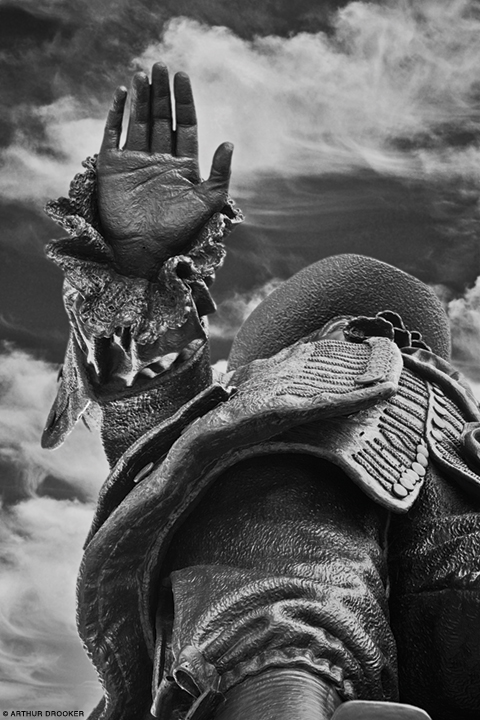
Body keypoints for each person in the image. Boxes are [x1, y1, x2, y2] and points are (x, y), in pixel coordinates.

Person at [43, 64, 480, 720]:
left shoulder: (456, 422)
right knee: (271, 514)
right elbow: (156, 426)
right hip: (271, 579)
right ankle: (274, 691)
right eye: (351, 325)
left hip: (453, 552)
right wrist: (140, 275)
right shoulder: (263, 400)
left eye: (396, 334)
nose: (383, 340)